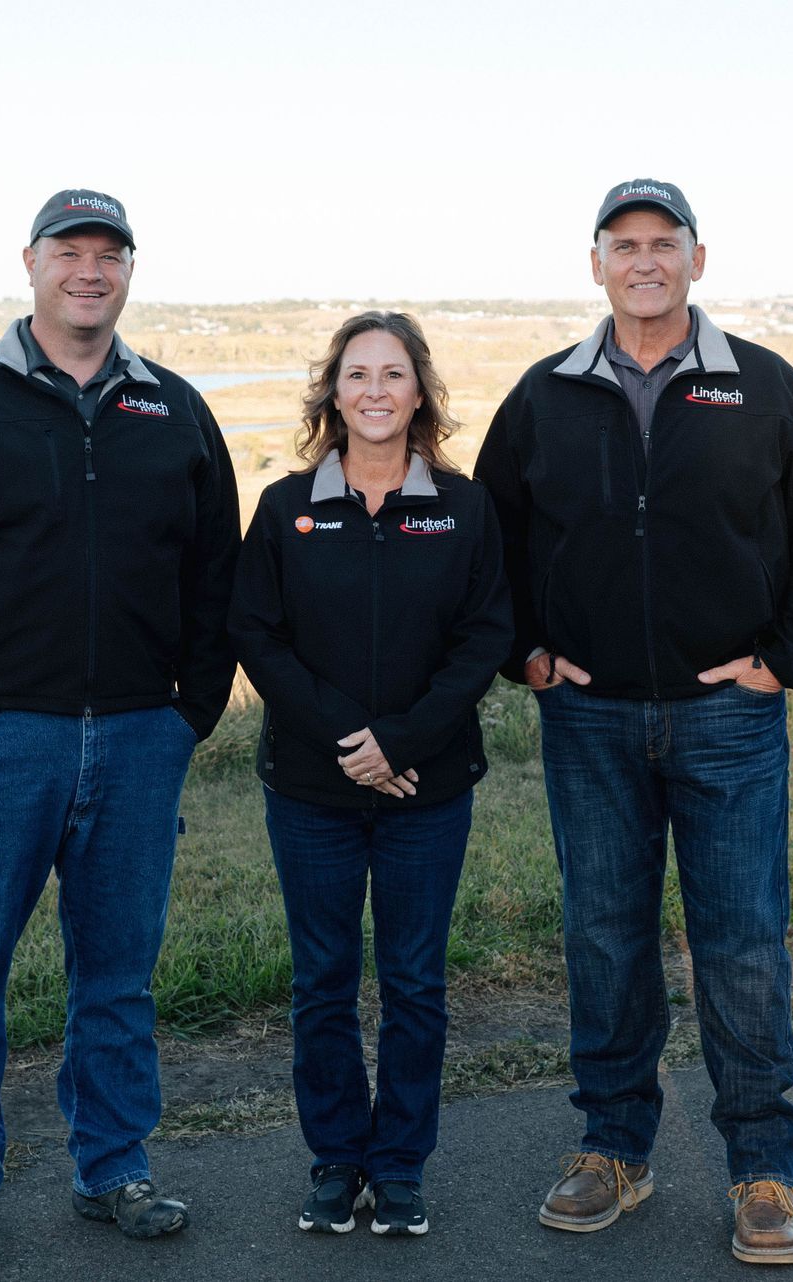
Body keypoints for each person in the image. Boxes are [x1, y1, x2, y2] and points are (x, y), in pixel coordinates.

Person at [473, 180, 793, 1265]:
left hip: (726, 719)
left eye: (663, 244)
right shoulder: (547, 394)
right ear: (594, 263)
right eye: (624, 245)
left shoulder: (762, 387)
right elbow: (490, 537)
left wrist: (785, 660)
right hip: (588, 716)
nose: (644, 261)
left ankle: (762, 1170)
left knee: (740, 941)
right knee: (604, 934)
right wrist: (526, 653)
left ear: (698, 258)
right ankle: (614, 1149)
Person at [0, 188, 240, 1264]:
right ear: (29, 263)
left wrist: (189, 715)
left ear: (131, 271)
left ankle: (114, 1164)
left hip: (138, 741)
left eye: (109, 254)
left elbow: (216, 574)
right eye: (69, 252)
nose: (90, 270)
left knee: (117, 973)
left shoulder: (173, 409)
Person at [228, 311, 511, 1239]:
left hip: (427, 790)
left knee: (416, 984)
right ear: (334, 392)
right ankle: (335, 1161)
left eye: (395, 374)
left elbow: (484, 642)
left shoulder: (463, 509)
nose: (377, 390)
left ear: (419, 392)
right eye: (358, 374)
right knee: (322, 982)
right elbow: (257, 637)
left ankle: (397, 1169)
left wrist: (402, 743)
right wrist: (356, 741)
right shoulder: (284, 508)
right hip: (311, 790)